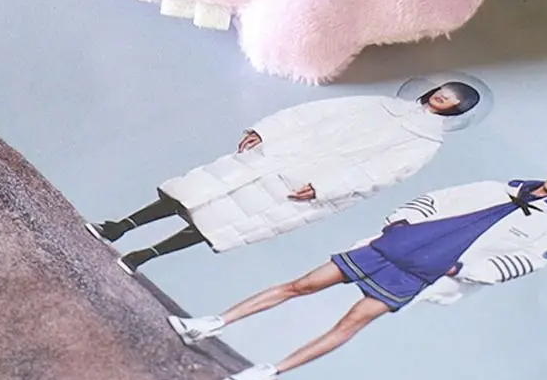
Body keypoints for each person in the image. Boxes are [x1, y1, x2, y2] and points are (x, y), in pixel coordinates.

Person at [168, 160, 547, 380]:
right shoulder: (497, 187)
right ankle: (209, 324)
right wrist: (401, 222)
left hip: (425, 273)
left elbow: (524, 262)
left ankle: (265, 373)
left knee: (351, 323)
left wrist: (464, 270)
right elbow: (436, 199)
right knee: (302, 285)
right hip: (393, 246)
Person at [85, 83, 481, 273]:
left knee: (220, 220)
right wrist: (266, 132)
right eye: (444, 91)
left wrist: (326, 187)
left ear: (458, 109)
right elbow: (313, 114)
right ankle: (119, 227)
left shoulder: (424, 142)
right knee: (193, 192)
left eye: (453, 99)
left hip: (308, 183)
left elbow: (383, 173)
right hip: (281, 153)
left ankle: (144, 256)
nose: (443, 97)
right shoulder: (379, 104)